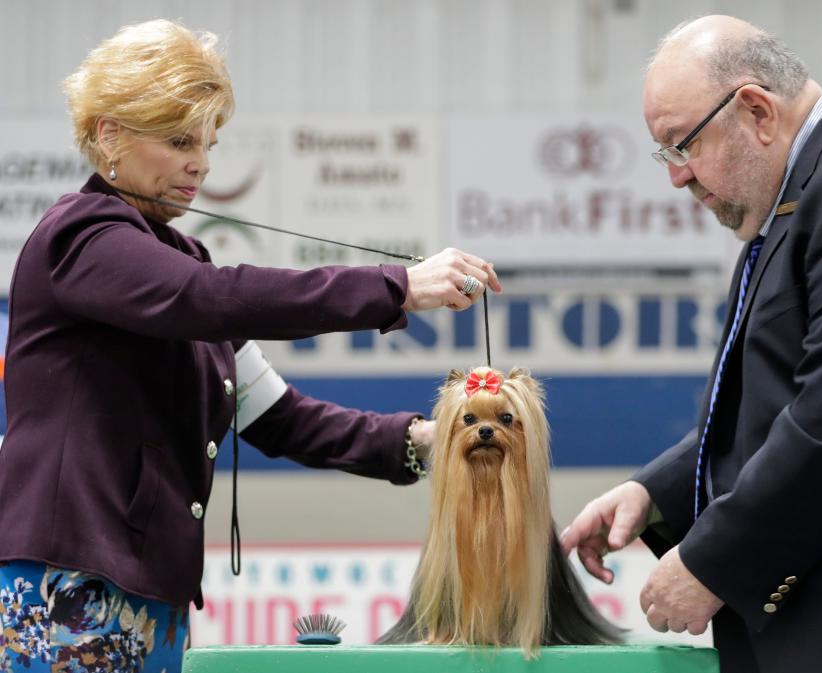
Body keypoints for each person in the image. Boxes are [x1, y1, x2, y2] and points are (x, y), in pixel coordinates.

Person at [0, 19, 501, 673]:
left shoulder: (178, 258)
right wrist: (397, 284)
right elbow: (206, 296)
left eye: (208, 143)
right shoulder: (83, 236)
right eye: (180, 140)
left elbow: (279, 416)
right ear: (109, 133)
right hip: (65, 583)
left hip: (150, 592)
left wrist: (422, 441)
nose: (201, 163)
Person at [561, 14, 822, 673]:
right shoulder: (812, 193)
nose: (678, 177)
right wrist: (658, 492)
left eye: (681, 145)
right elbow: (779, 400)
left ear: (755, 110)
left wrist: (715, 559)